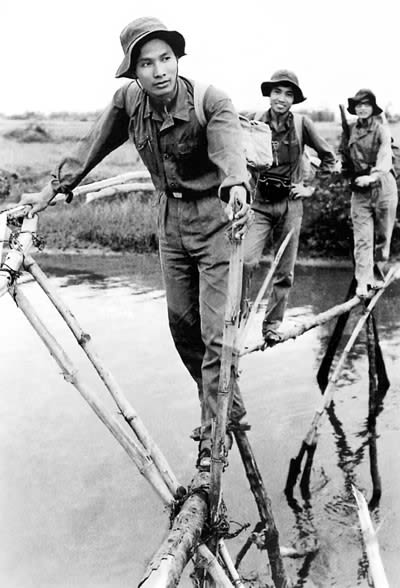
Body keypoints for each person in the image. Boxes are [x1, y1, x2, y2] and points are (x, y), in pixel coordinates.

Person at [23, 16, 252, 470]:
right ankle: (228, 406)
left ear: (177, 59)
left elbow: (230, 154)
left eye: (166, 58)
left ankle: (214, 432)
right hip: (170, 221)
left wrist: (238, 187)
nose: (159, 70)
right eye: (147, 63)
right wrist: (51, 189)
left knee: (216, 334)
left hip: (217, 218)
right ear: (134, 72)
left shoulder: (212, 100)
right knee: (181, 327)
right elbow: (91, 146)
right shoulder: (129, 101)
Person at [241, 70, 336, 345]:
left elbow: (329, 158)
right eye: (277, 92)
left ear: (294, 99)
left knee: (284, 271)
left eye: (288, 94)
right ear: (269, 95)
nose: (281, 98)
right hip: (259, 205)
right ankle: (238, 317)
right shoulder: (254, 121)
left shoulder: (302, 124)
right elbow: (236, 153)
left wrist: (310, 188)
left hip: (290, 205)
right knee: (245, 261)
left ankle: (271, 326)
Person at [340, 88, 398, 298]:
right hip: (360, 190)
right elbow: (343, 154)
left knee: (383, 238)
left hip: (383, 186)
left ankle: (377, 272)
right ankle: (364, 282)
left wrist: (373, 177)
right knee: (363, 239)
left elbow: (385, 156)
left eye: (366, 104)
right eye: (358, 105)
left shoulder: (382, 130)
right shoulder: (349, 130)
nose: (362, 108)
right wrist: (341, 167)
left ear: (373, 108)